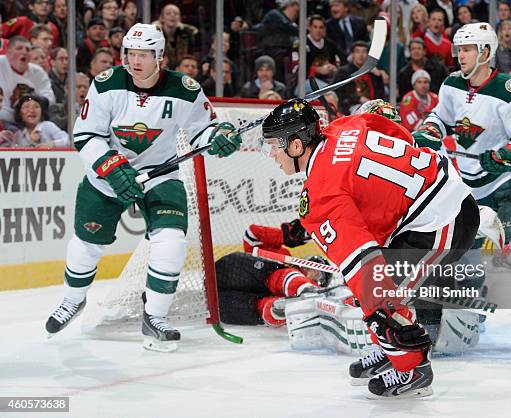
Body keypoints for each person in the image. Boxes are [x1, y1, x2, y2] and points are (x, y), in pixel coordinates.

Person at [260, 97, 478, 399]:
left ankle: (413, 369)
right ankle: (392, 351)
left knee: (378, 299)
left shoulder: (320, 194)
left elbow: (365, 265)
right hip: (439, 196)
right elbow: (394, 132)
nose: (271, 154)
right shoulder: (342, 126)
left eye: (273, 145)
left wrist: (382, 315)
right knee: (380, 293)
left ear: (296, 145)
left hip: (443, 220)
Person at [44, 23, 243, 353]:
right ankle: (73, 299)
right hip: (107, 173)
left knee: (171, 241)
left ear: (160, 57)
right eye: (130, 54)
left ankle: (155, 316)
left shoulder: (185, 89)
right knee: (86, 244)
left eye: (144, 55)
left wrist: (217, 139)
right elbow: (85, 134)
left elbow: (203, 132)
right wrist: (110, 166)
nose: (135, 62)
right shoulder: (107, 84)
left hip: (160, 174)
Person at [411, 22, 511, 337]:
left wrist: (504, 155)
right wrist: (430, 132)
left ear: (485, 52)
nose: (460, 56)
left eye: (467, 49)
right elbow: (441, 119)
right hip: (469, 185)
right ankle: (472, 313)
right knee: (465, 256)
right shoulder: (452, 84)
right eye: (458, 49)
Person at [0, 36, 56, 126]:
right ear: (8, 52)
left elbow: (49, 98)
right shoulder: (1, 64)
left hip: (30, 123)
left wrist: (31, 100)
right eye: (19, 48)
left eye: (28, 49)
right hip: (3, 122)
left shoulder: (38, 72)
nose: (24, 52)